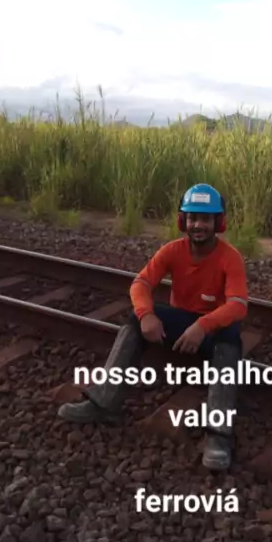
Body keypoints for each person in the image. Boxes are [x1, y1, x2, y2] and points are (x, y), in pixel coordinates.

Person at [58, 183, 249, 470]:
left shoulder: (229, 257)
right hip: (181, 325)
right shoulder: (172, 250)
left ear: (218, 223)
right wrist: (146, 315)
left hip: (210, 334)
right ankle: (103, 402)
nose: (198, 225)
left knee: (231, 334)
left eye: (205, 219)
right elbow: (141, 283)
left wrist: (203, 326)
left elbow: (238, 305)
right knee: (136, 319)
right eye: (192, 218)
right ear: (183, 220)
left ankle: (218, 436)